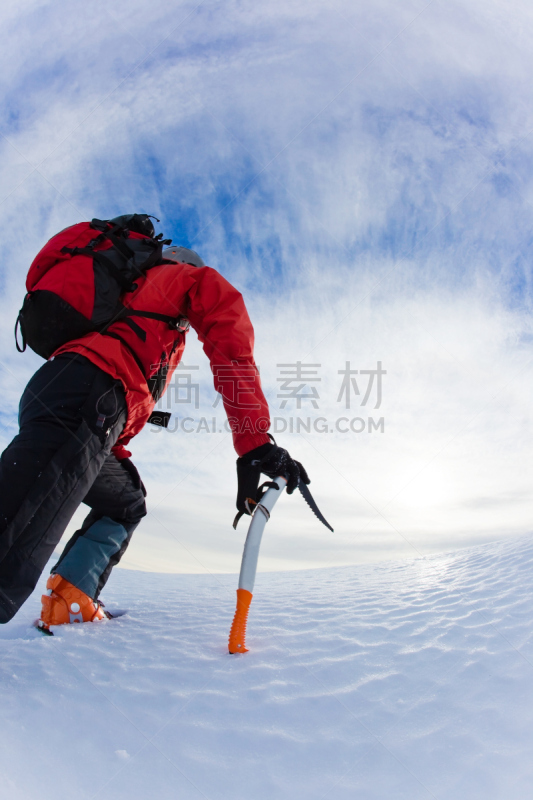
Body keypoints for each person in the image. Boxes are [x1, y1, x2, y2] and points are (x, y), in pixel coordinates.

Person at [0, 214, 309, 631]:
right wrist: (254, 444)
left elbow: (124, 397)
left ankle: (71, 599)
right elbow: (230, 344)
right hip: (86, 401)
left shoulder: (132, 308)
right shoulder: (185, 281)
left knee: (125, 502)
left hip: (61, 395)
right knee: (10, 544)